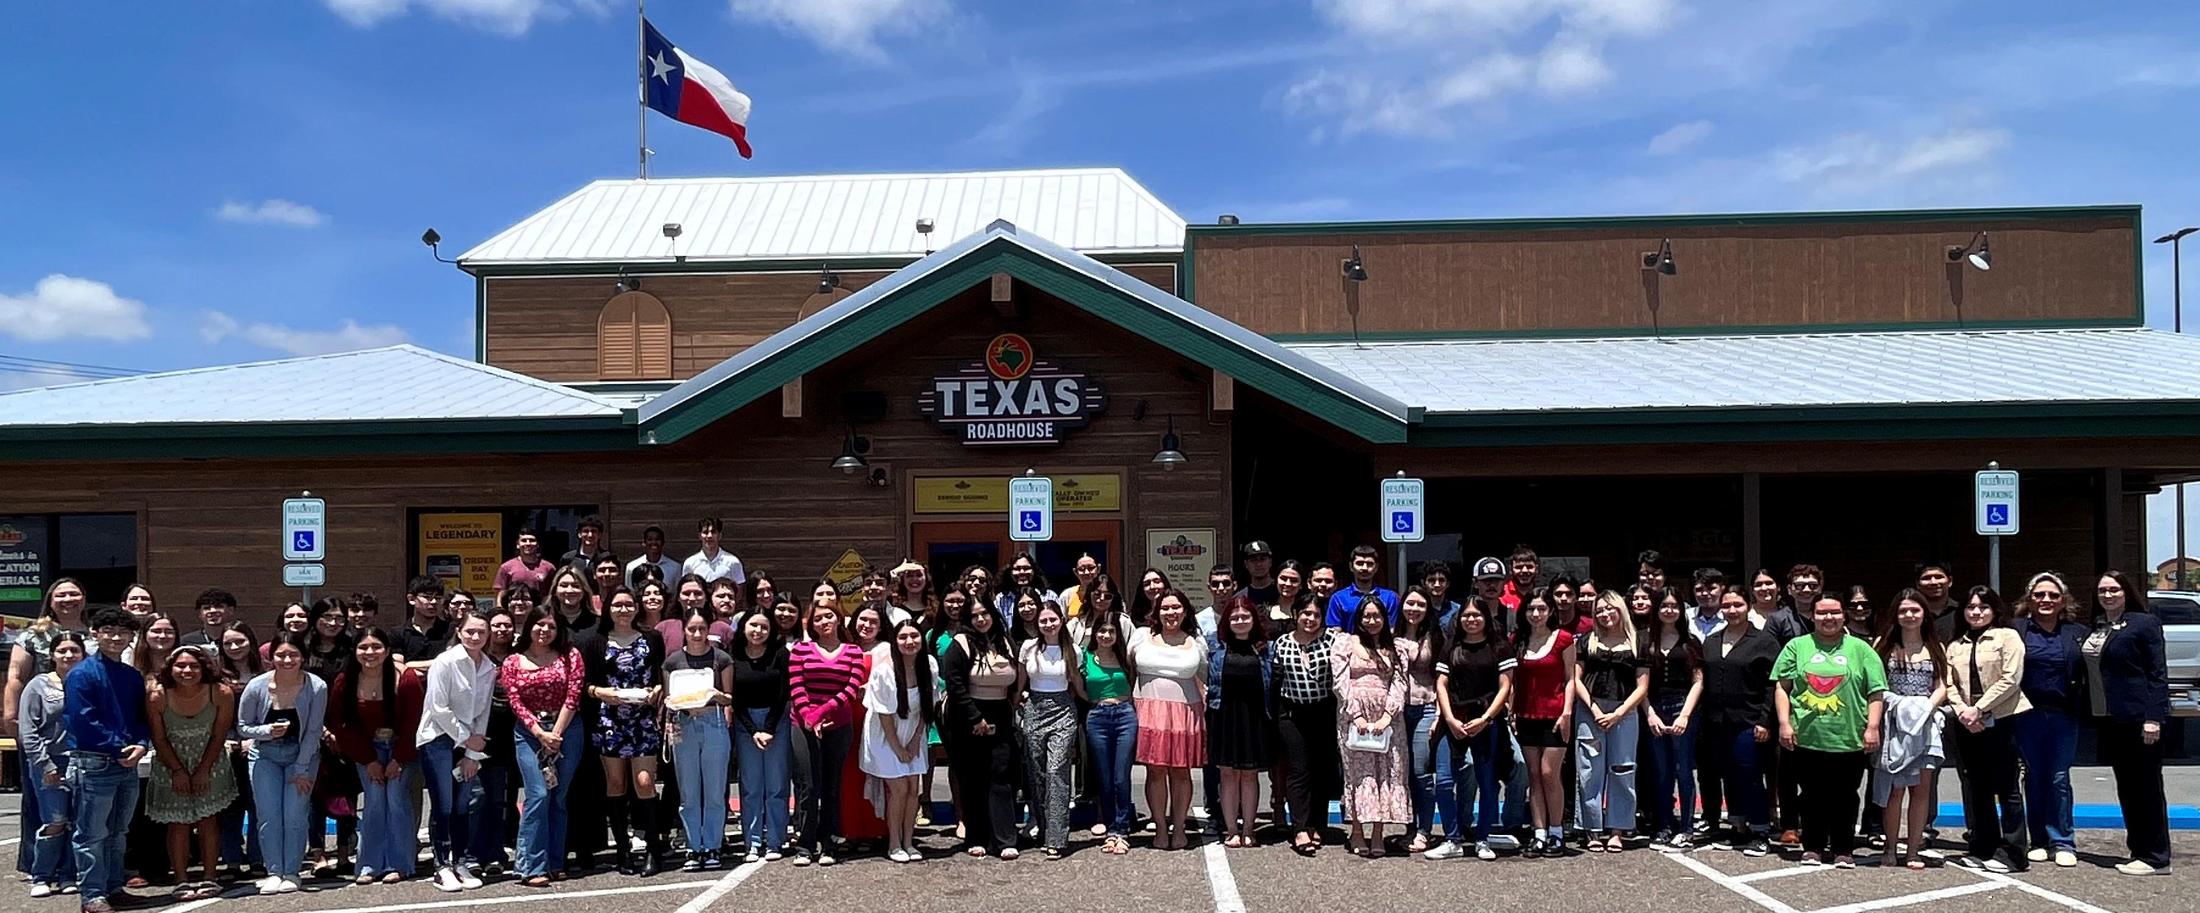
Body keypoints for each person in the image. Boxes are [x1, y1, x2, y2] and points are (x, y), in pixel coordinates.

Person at [1773, 596, 1887, 869]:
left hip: (1849, 737)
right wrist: (1784, 723)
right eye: (1822, 613)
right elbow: (1782, 688)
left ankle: (1843, 849)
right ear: (1813, 616)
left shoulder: (1862, 650)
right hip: (1808, 736)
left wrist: (1872, 727)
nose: (1828, 618)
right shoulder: (1796, 646)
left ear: (1843, 616)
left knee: (1845, 795)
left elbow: (1876, 692)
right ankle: (1812, 846)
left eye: (1834, 612)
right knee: (1811, 795)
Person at [2082, 570, 2173, 875]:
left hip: (2140, 719)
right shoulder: (2098, 627)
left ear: (2127, 592)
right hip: (2111, 720)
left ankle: (2156, 857)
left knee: (2146, 788)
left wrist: (2153, 717)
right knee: (2128, 788)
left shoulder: (2144, 624)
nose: (2107, 595)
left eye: (2113, 590)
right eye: (2102, 591)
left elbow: (2157, 674)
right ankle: (2139, 851)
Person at [64, 608, 150, 913]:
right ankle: (92, 895)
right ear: (94, 634)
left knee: (118, 832)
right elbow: (83, 720)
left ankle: (114, 888)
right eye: (109, 631)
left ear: (131, 637)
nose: (116, 637)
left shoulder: (131, 676)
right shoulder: (81, 674)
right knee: (90, 834)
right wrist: (119, 748)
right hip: (94, 762)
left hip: (127, 762)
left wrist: (140, 744)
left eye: (123, 632)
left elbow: (142, 717)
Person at [329, 627, 425, 885]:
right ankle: (369, 864)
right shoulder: (344, 680)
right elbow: (342, 725)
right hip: (367, 749)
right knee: (373, 802)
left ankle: (400, 864)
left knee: (396, 800)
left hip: (401, 748)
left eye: (376, 647)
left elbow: (413, 722)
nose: (369, 653)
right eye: (363, 648)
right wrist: (368, 760)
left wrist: (399, 759)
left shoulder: (405, 678)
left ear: (387, 650)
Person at [1945, 586, 2031, 873]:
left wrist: (1979, 708)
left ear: (1994, 610)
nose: (1976, 612)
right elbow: (1949, 685)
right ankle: (1983, 846)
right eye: (1970, 607)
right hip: (1967, 723)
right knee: (1976, 786)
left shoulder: (2008, 637)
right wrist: (1963, 711)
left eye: (1983, 607)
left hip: (2002, 718)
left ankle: (2014, 852)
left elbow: (2011, 678)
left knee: (2007, 787)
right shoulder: (1956, 644)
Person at [237, 631, 328, 894]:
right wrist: (266, 731)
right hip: (265, 755)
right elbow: (243, 726)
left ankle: (292, 871)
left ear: (303, 657)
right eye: (281, 655)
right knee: (268, 815)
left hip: (302, 755)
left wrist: (301, 769)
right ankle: (273, 871)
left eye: (293, 654)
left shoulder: (316, 686)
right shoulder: (257, 686)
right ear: (271, 657)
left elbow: (313, 731)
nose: (287, 660)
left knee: (295, 814)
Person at [146, 645, 239, 900]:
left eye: (194, 666)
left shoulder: (221, 693)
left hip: (209, 760)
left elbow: (220, 734)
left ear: (205, 668)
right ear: (170, 668)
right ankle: (181, 879)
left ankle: (210, 876)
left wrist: (203, 770)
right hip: (171, 760)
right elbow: (159, 737)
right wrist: (177, 770)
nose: (187, 671)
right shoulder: (158, 695)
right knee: (179, 822)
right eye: (181, 666)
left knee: (208, 819)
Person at [504, 607, 586, 887]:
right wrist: (540, 733)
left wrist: (557, 734)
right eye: (539, 624)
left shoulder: (571, 656)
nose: (544, 631)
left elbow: (573, 697)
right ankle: (530, 865)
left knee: (558, 797)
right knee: (538, 794)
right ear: (528, 626)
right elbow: (515, 702)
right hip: (529, 734)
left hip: (566, 731)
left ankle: (555, 861)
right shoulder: (513, 660)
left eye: (550, 626)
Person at [1426, 597, 1512, 861]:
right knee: (1443, 782)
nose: (1471, 620)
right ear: (1459, 618)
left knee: (1487, 783)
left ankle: (1482, 839)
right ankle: (1452, 839)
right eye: (1466, 615)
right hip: (1453, 720)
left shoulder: (1499, 647)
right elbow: (1441, 684)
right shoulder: (1451, 646)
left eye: (1477, 615)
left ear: (1486, 618)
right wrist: (1450, 719)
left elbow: (1505, 686)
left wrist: (1486, 718)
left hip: (1486, 721)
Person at [416, 612, 496, 893]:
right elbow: (438, 708)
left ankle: (460, 861)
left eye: (482, 632)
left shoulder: (488, 667)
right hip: (438, 739)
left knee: (463, 805)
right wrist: (465, 739)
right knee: (444, 805)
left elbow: (483, 710)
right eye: (470, 631)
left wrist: (473, 752)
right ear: (459, 632)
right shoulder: (445, 662)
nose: (476, 637)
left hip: (469, 743)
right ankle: (441, 866)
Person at [1696, 587, 1778, 857]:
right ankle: (1738, 827)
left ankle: (1760, 830)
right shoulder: (1712, 640)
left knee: (1750, 774)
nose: (1732, 610)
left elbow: (1772, 685)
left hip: (1750, 720)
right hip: (1717, 722)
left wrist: (1766, 720)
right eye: (1727, 605)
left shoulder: (1764, 641)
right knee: (1728, 774)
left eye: (1738, 605)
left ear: (1748, 606)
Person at [2012, 571, 2085, 868]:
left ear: (2063, 600)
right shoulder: (2015, 630)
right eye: (2040, 595)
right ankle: (2039, 839)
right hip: (2026, 715)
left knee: (2058, 778)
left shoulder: (2078, 632)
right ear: (2029, 600)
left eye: (2053, 595)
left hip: (2064, 715)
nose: (2046, 600)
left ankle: (2063, 841)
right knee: (2033, 775)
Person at [1872, 589, 1948, 870]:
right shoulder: (1884, 644)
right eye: (1904, 610)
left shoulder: (1935, 645)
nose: (1909, 615)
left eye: (1915, 610)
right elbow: (1875, 683)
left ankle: (1913, 850)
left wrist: (1927, 708)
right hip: (1893, 724)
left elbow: (1943, 685)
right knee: (1895, 789)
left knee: (1922, 790)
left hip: (1925, 727)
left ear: (1924, 614)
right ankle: (1890, 847)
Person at [787, 596, 866, 866]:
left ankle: (829, 842)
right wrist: (810, 716)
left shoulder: (853, 651)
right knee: (809, 786)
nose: (824, 622)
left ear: (839, 618)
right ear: (812, 624)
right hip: (804, 724)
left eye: (829, 616)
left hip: (839, 724)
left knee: (832, 786)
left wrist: (822, 713)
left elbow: (852, 687)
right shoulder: (800, 649)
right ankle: (805, 845)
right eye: (818, 618)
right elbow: (797, 685)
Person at [943, 600, 1024, 859]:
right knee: (973, 778)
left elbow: (1016, 678)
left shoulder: (1006, 642)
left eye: (985, 614)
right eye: (974, 616)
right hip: (967, 714)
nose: (981, 620)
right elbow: (954, 683)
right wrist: (975, 718)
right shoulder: (960, 644)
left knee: (1001, 775)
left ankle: (1005, 839)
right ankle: (976, 837)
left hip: (1000, 711)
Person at [1573, 590, 1649, 853]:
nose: (1604, 614)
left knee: (1623, 770)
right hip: (1590, 710)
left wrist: (1619, 713)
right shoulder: (1587, 640)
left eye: (1609, 609)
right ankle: (1592, 830)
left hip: (1625, 712)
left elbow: (1642, 686)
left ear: (1620, 610)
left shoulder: (1638, 642)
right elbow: (1576, 679)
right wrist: (1594, 710)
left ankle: (1618, 829)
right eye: (1599, 611)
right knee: (1589, 771)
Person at [1132, 588, 1207, 850]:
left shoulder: (1196, 640)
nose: (1170, 613)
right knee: (1154, 772)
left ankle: (1179, 828)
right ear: (1157, 611)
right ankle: (1160, 828)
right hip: (1149, 712)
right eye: (1165, 608)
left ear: (1185, 611)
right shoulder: (1141, 637)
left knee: (1180, 772)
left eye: (1176, 607)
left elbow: (1206, 677)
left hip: (1184, 712)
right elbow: (1129, 670)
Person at [662, 605, 735, 871]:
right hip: (684, 724)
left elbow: (729, 697)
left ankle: (713, 845)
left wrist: (715, 695)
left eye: (701, 629)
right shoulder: (672, 661)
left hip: (713, 722)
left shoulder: (721, 658)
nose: (696, 633)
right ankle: (694, 847)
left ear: (709, 631)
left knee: (715, 790)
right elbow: (670, 697)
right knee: (688, 792)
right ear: (683, 631)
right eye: (691, 629)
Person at [1334, 599, 1409, 855]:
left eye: (1376, 616)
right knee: (1358, 774)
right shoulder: (1345, 642)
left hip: (1388, 719)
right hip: (1353, 716)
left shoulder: (1396, 647)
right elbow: (1340, 681)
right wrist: (1356, 716)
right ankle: (1356, 831)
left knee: (1385, 773)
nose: (1371, 621)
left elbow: (1400, 682)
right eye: (1366, 616)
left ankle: (1378, 833)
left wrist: (1388, 715)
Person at [1272, 592, 1341, 856]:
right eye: (1305, 614)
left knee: (1321, 770)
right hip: (1292, 714)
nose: (1310, 619)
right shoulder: (1282, 644)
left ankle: (1315, 824)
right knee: (1298, 769)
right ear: (1295, 615)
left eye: (1315, 614)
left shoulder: (1333, 641)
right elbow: (1277, 684)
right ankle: (1299, 828)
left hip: (1323, 711)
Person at [862, 619, 934, 863]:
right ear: (895, 641)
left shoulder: (929, 666)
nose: (909, 641)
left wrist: (914, 741)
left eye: (914, 636)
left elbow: (928, 707)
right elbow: (883, 715)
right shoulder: (885, 671)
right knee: (899, 788)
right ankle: (894, 844)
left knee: (914, 788)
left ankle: (908, 841)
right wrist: (898, 748)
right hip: (885, 735)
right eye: (903, 637)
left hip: (913, 730)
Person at [1510, 588, 1575, 858]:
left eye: (1541, 609)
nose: (1536, 614)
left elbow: (1572, 677)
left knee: (1550, 773)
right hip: (1526, 715)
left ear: (1550, 611)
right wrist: (1511, 710)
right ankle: (1539, 833)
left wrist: (1567, 712)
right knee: (1533, 775)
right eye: (1531, 609)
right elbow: (1513, 680)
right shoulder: (1518, 639)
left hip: (1555, 715)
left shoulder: (1564, 639)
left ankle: (1557, 832)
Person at [20, 631, 85, 898]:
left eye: (74, 650)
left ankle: (69, 875)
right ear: (52, 655)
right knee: (55, 819)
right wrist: (45, 765)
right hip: (50, 760)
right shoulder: (38, 685)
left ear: (83, 653)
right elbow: (28, 729)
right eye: (62, 651)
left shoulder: (87, 682)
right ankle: (42, 875)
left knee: (79, 820)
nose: (68, 655)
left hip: (82, 759)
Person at [1018, 600, 1082, 857]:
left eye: (1053, 620)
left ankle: (1057, 838)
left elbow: (1077, 683)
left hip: (1064, 709)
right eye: (1043, 621)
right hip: (1034, 708)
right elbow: (1022, 680)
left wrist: (1089, 700)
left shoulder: (1073, 649)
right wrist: (1016, 703)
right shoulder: (1028, 647)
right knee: (1036, 771)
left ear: (1061, 620)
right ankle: (1042, 828)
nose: (1048, 625)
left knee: (1057, 770)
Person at [1205, 600, 1270, 849]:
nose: (1240, 621)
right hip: (1224, 715)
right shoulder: (1215, 645)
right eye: (1235, 618)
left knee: (1250, 775)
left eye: (1245, 617)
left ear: (1253, 620)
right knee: (1228, 774)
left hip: (1254, 717)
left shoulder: (1265, 648)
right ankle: (1232, 829)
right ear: (1226, 622)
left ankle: (1249, 829)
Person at [1643, 587, 1704, 850]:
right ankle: (1664, 825)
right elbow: (1640, 685)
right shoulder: (1645, 641)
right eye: (1664, 606)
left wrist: (1685, 715)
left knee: (1683, 770)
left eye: (1674, 606)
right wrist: (1650, 714)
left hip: (1683, 706)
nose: (1669, 610)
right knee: (1661, 771)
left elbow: (1698, 682)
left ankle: (1687, 828)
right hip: (1655, 706)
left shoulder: (1691, 642)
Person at [729, 608, 791, 862]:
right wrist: (754, 730)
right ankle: (752, 842)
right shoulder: (734, 657)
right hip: (746, 725)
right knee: (751, 786)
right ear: (743, 627)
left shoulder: (780, 654)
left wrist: (769, 727)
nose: (758, 631)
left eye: (764, 627)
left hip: (776, 721)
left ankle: (776, 841)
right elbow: (735, 697)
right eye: (753, 625)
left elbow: (783, 692)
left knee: (776, 784)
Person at [1393, 585, 1451, 853]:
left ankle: (1425, 830)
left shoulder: (1436, 637)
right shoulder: (1391, 635)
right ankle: (1409, 828)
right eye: (1409, 604)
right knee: (1403, 774)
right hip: (1398, 712)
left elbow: (1442, 678)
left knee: (1420, 772)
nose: (1413, 609)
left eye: (1420, 605)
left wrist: (1441, 711)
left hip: (1427, 707)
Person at [1078, 606, 1139, 855]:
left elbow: (1135, 682)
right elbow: (1078, 686)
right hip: (1097, 717)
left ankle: (1122, 830)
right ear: (1095, 633)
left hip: (1125, 715)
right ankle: (1111, 828)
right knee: (1103, 777)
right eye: (1102, 631)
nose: (1106, 635)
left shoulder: (1125, 657)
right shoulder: (1085, 657)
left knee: (1121, 776)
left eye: (1111, 631)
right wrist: (1093, 702)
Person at [7, 578, 90, 741]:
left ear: (84, 600)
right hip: (44, 721)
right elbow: (15, 676)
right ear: (50, 601)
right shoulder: (33, 636)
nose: (68, 599)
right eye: (61, 595)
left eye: (74, 594)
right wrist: (11, 717)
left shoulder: (97, 636)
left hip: (86, 718)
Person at [1324, 545, 1400, 629]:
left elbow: (1392, 629)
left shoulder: (1390, 598)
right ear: (1351, 566)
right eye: (1359, 563)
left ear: (1376, 567)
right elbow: (1335, 632)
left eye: (1369, 564)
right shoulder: (1338, 598)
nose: (1364, 568)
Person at [394, 576, 452, 670]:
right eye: (427, 597)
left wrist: (410, 665)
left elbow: (451, 661)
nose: (433, 602)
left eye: (438, 598)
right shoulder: (397, 633)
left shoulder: (450, 630)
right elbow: (399, 667)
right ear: (411, 599)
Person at [494, 528, 557, 603]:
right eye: (524, 541)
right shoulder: (506, 567)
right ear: (517, 545)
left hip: (540, 611)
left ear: (537, 545)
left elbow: (552, 594)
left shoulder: (549, 568)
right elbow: (501, 594)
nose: (528, 543)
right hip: (515, 610)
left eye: (532, 540)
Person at [682, 517, 747, 586]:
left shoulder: (733, 562)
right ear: (699, 536)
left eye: (713, 532)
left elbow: (740, 590)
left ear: (720, 535)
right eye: (705, 532)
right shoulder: (690, 563)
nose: (709, 536)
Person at [176, 588, 234, 654]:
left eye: (218, 607)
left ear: (230, 610)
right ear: (200, 614)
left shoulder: (238, 640)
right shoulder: (186, 642)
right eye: (207, 608)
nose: (212, 611)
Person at [546, 567, 599, 635]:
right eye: (564, 585)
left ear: (584, 591)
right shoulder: (545, 622)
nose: (569, 590)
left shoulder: (598, 623)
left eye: (576, 586)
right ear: (555, 591)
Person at [628, 526, 683, 590]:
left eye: (657, 539)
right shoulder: (632, 567)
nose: (654, 542)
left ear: (663, 542)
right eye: (650, 539)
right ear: (644, 543)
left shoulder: (675, 567)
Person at [1238, 541, 1278, 606]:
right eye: (1253, 560)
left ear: (1270, 562)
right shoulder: (1240, 598)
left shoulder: (1282, 591)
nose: (1258, 564)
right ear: (1246, 564)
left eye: (1262, 559)